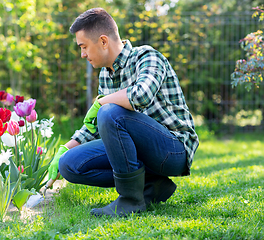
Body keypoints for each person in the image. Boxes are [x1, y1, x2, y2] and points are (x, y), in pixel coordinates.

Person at [48, 7, 199, 217]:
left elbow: (141, 96)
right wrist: (65, 148)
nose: (82, 54)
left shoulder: (146, 56)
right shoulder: (105, 75)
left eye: (83, 47)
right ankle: (152, 186)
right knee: (70, 165)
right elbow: (95, 125)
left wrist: (101, 103)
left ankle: (131, 200)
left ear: (103, 41)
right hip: (136, 149)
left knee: (109, 112)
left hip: (171, 150)